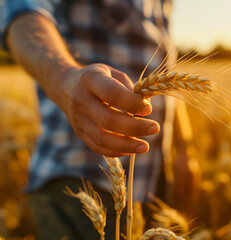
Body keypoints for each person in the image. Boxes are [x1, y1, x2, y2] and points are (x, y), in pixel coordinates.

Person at [0, 0, 196, 239]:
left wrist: (184, 148)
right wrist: (64, 79)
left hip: (151, 186)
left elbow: (166, 74)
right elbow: (22, 11)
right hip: (77, 181)